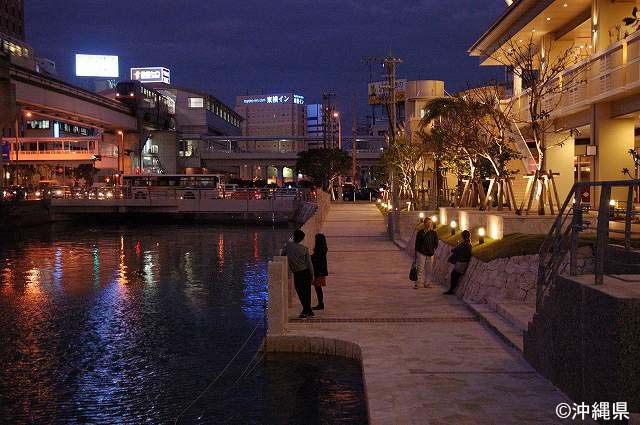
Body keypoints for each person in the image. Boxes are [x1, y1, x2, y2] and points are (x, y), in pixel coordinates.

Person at [281, 229, 315, 318]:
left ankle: (306, 310)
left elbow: (282, 254)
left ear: (294, 237)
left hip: (298, 273)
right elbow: (309, 263)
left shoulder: (288, 246)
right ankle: (308, 310)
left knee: (300, 291)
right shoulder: (305, 249)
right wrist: (312, 274)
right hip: (306, 272)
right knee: (306, 292)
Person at [444, 230, 473, 295]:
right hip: (462, 262)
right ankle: (452, 289)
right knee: (454, 274)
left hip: (461, 263)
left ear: (463, 236)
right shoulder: (468, 243)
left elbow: (455, 250)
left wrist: (457, 246)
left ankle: (451, 290)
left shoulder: (465, 244)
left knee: (454, 274)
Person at [413, 217, 438, 289]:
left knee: (429, 269)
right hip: (421, 253)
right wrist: (416, 252)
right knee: (420, 269)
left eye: (430, 222)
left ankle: (427, 283)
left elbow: (436, 243)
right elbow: (417, 243)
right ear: (424, 223)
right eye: (427, 222)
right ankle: (417, 284)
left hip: (430, 253)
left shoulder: (433, 233)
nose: (429, 224)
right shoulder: (420, 232)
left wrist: (433, 249)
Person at [311, 233, 328, 310]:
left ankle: (321, 304)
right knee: (318, 288)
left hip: (319, 271)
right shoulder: (323, 249)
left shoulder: (319, 250)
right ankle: (320, 303)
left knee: (318, 288)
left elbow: (316, 259)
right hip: (321, 271)